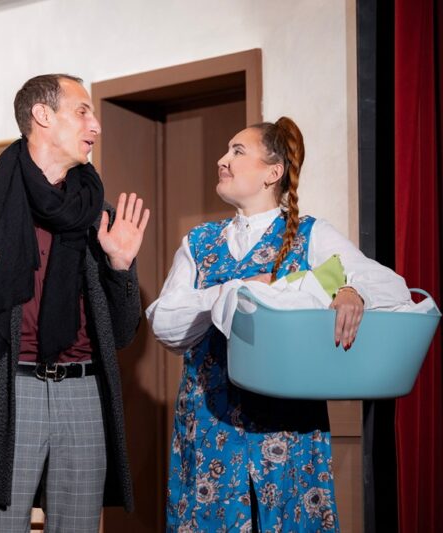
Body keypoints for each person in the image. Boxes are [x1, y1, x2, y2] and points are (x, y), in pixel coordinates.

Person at [146, 117, 411, 532]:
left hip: (287, 429)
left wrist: (351, 291)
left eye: (237, 151)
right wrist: (232, 291)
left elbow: (391, 286)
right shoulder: (198, 243)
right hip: (209, 423)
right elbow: (166, 324)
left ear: (273, 172)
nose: (222, 160)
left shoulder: (310, 235)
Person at [0, 74, 150, 532]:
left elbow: (123, 334)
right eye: (82, 111)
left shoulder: (99, 212)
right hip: (8, 390)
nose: (95, 124)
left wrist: (120, 267)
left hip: (84, 390)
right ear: (42, 116)